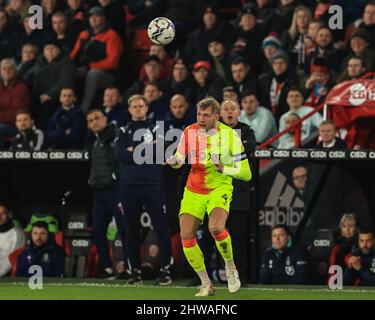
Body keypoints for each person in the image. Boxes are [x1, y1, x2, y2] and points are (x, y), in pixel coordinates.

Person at [165, 97, 252, 296]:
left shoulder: (230, 136)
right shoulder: (189, 131)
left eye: (206, 115)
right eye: (199, 114)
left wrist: (226, 169)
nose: (201, 119)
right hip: (194, 189)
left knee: (216, 227)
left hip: (219, 188)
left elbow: (246, 173)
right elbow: (180, 158)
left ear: (216, 115)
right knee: (186, 235)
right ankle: (206, 283)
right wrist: (174, 161)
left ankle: (230, 268)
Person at [114, 94, 173, 286]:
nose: (138, 109)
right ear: (130, 110)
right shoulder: (123, 129)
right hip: (129, 186)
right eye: (134, 106)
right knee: (130, 230)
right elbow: (120, 155)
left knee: (161, 227)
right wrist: (147, 148)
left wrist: (135, 150)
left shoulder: (158, 127)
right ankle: (134, 271)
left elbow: (161, 151)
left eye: (141, 106)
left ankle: (165, 270)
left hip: (152, 184)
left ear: (146, 108)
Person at [86, 108, 129, 279]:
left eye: (97, 118)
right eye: (90, 120)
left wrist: (116, 178)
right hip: (99, 194)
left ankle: (129, 266)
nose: (94, 122)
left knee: (124, 230)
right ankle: (106, 267)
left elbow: (123, 160)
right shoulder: (93, 141)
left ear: (105, 119)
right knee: (98, 231)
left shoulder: (115, 136)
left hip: (115, 191)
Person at [220, 99, 256, 283]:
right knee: (213, 235)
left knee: (239, 237)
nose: (229, 112)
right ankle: (208, 275)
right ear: (220, 112)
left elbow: (249, 146)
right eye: (226, 109)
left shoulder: (247, 130)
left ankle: (241, 274)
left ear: (239, 112)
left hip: (239, 191)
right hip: (216, 191)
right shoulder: (213, 130)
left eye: (233, 108)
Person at [70, 6, 124, 113]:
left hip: (107, 74)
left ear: (103, 19)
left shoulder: (111, 36)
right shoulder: (84, 34)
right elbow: (73, 55)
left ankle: (83, 111)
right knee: (67, 71)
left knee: (93, 74)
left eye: (97, 16)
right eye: (91, 17)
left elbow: (112, 62)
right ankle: (68, 107)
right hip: (83, 69)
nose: (93, 19)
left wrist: (90, 67)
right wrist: (71, 67)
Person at [27, 40, 76, 130]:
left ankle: (43, 135)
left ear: (59, 50)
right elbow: (29, 76)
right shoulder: (39, 62)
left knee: (46, 106)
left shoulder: (66, 61)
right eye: (47, 48)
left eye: (52, 48)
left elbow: (66, 81)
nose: (50, 51)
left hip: (56, 96)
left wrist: (50, 94)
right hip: (39, 95)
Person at [0, 58, 30, 147]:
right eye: (4, 69)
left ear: (15, 70)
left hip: (16, 125)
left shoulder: (21, 88)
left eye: (10, 68)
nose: (7, 71)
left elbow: (16, 114)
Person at [0, 204, 25, 277]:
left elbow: (12, 261)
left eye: (3, 214)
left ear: (9, 215)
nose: (0, 217)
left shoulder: (18, 234)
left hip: (7, 277)